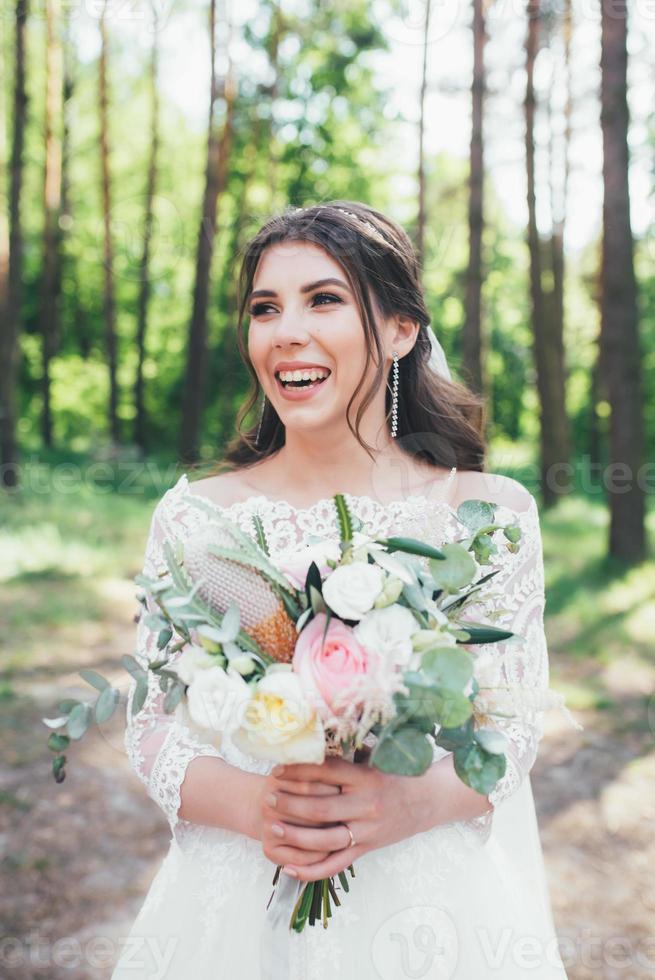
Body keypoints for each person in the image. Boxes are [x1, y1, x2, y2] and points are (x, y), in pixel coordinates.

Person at [111, 201, 569, 978]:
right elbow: (150, 721)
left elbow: (510, 728)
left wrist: (404, 806)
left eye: (322, 299)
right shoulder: (200, 520)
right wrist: (255, 808)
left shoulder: (484, 518)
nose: (285, 329)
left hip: (430, 911)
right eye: (265, 308)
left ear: (398, 330)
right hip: (234, 905)